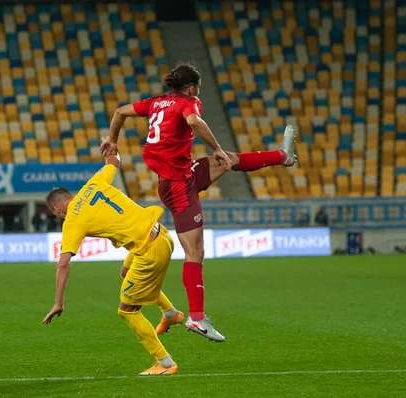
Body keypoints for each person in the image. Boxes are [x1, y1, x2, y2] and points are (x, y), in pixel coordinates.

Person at [100, 63, 297, 341]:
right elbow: (193, 121)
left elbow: (120, 111)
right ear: (192, 87)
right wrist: (214, 146)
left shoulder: (155, 103)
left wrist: (113, 140)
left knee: (230, 160)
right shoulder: (189, 102)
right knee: (195, 252)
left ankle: (282, 156)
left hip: (183, 173)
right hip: (177, 185)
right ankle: (197, 318)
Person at [42, 152, 184, 375]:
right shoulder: (93, 183)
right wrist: (111, 145)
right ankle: (170, 313)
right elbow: (114, 161)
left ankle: (165, 364)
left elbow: (63, 264)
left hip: (149, 251)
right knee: (126, 272)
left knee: (127, 311)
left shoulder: (72, 220)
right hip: (162, 234)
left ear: (57, 210)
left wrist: (58, 302)